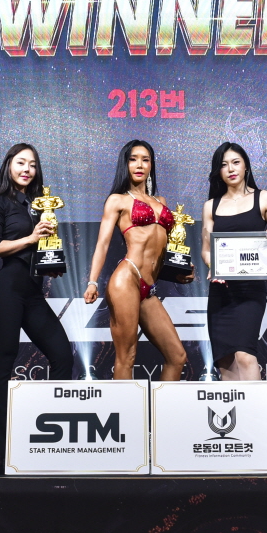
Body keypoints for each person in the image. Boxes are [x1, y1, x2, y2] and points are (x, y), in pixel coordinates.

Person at [0, 143, 74, 462]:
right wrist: (31, 238)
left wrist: (51, 264)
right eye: (21, 163)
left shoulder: (38, 205)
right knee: (3, 364)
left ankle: (51, 435)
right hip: (7, 290)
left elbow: (43, 247)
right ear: (9, 165)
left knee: (62, 355)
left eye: (32, 164)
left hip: (32, 293)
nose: (27, 169)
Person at [84, 140, 192, 381]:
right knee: (127, 356)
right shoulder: (118, 200)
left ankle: (162, 407)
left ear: (151, 165)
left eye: (145, 159)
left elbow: (166, 248)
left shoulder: (161, 202)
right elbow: (102, 244)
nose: (139, 165)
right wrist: (92, 282)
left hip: (149, 287)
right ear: (125, 164)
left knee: (177, 356)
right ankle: (124, 407)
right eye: (133, 159)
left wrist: (182, 269)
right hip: (127, 278)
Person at [200, 142, 267, 381]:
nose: (231, 169)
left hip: (250, 290)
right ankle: (235, 406)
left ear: (246, 166)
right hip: (221, 292)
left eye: (235, 162)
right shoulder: (211, 206)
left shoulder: (265, 198)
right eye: (224, 165)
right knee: (225, 361)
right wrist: (214, 267)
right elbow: (206, 251)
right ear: (218, 171)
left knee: (245, 356)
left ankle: (256, 405)